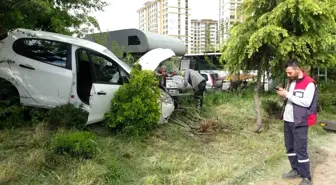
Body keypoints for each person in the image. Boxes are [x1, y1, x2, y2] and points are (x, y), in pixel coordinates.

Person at [275, 59, 317, 185]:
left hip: (300, 121)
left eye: (289, 73)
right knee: (290, 147)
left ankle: (306, 177)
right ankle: (295, 169)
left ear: (297, 69)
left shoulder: (309, 83)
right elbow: (291, 98)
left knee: (301, 149)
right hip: (288, 120)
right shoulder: (292, 82)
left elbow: (306, 102)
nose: (288, 75)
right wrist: (284, 93)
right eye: (287, 73)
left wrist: (287, 94)